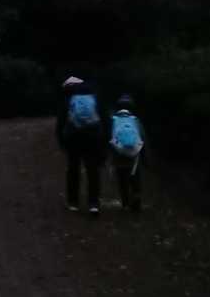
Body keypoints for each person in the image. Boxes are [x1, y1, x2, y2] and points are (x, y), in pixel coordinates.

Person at [56, 74, 105, 215]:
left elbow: (61, 123)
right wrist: (104, 142)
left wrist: (62, 141)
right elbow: (105, 120)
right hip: (93, 137)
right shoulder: (95, 97)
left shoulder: (69, 99)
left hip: (74, 138)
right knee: (92, 170)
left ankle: (73, 203)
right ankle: (93, 204)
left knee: (73, 169)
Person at [108, 92, 145, 211]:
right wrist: (145, 158)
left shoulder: (113, 120)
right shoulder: (135, 120)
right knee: (135, 177)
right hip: (134, 154)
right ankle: (136, 197)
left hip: (118, 153)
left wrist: (109, 155)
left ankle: (125, 203)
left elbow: (110, 138)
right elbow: (142, 137)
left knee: (122, 179)